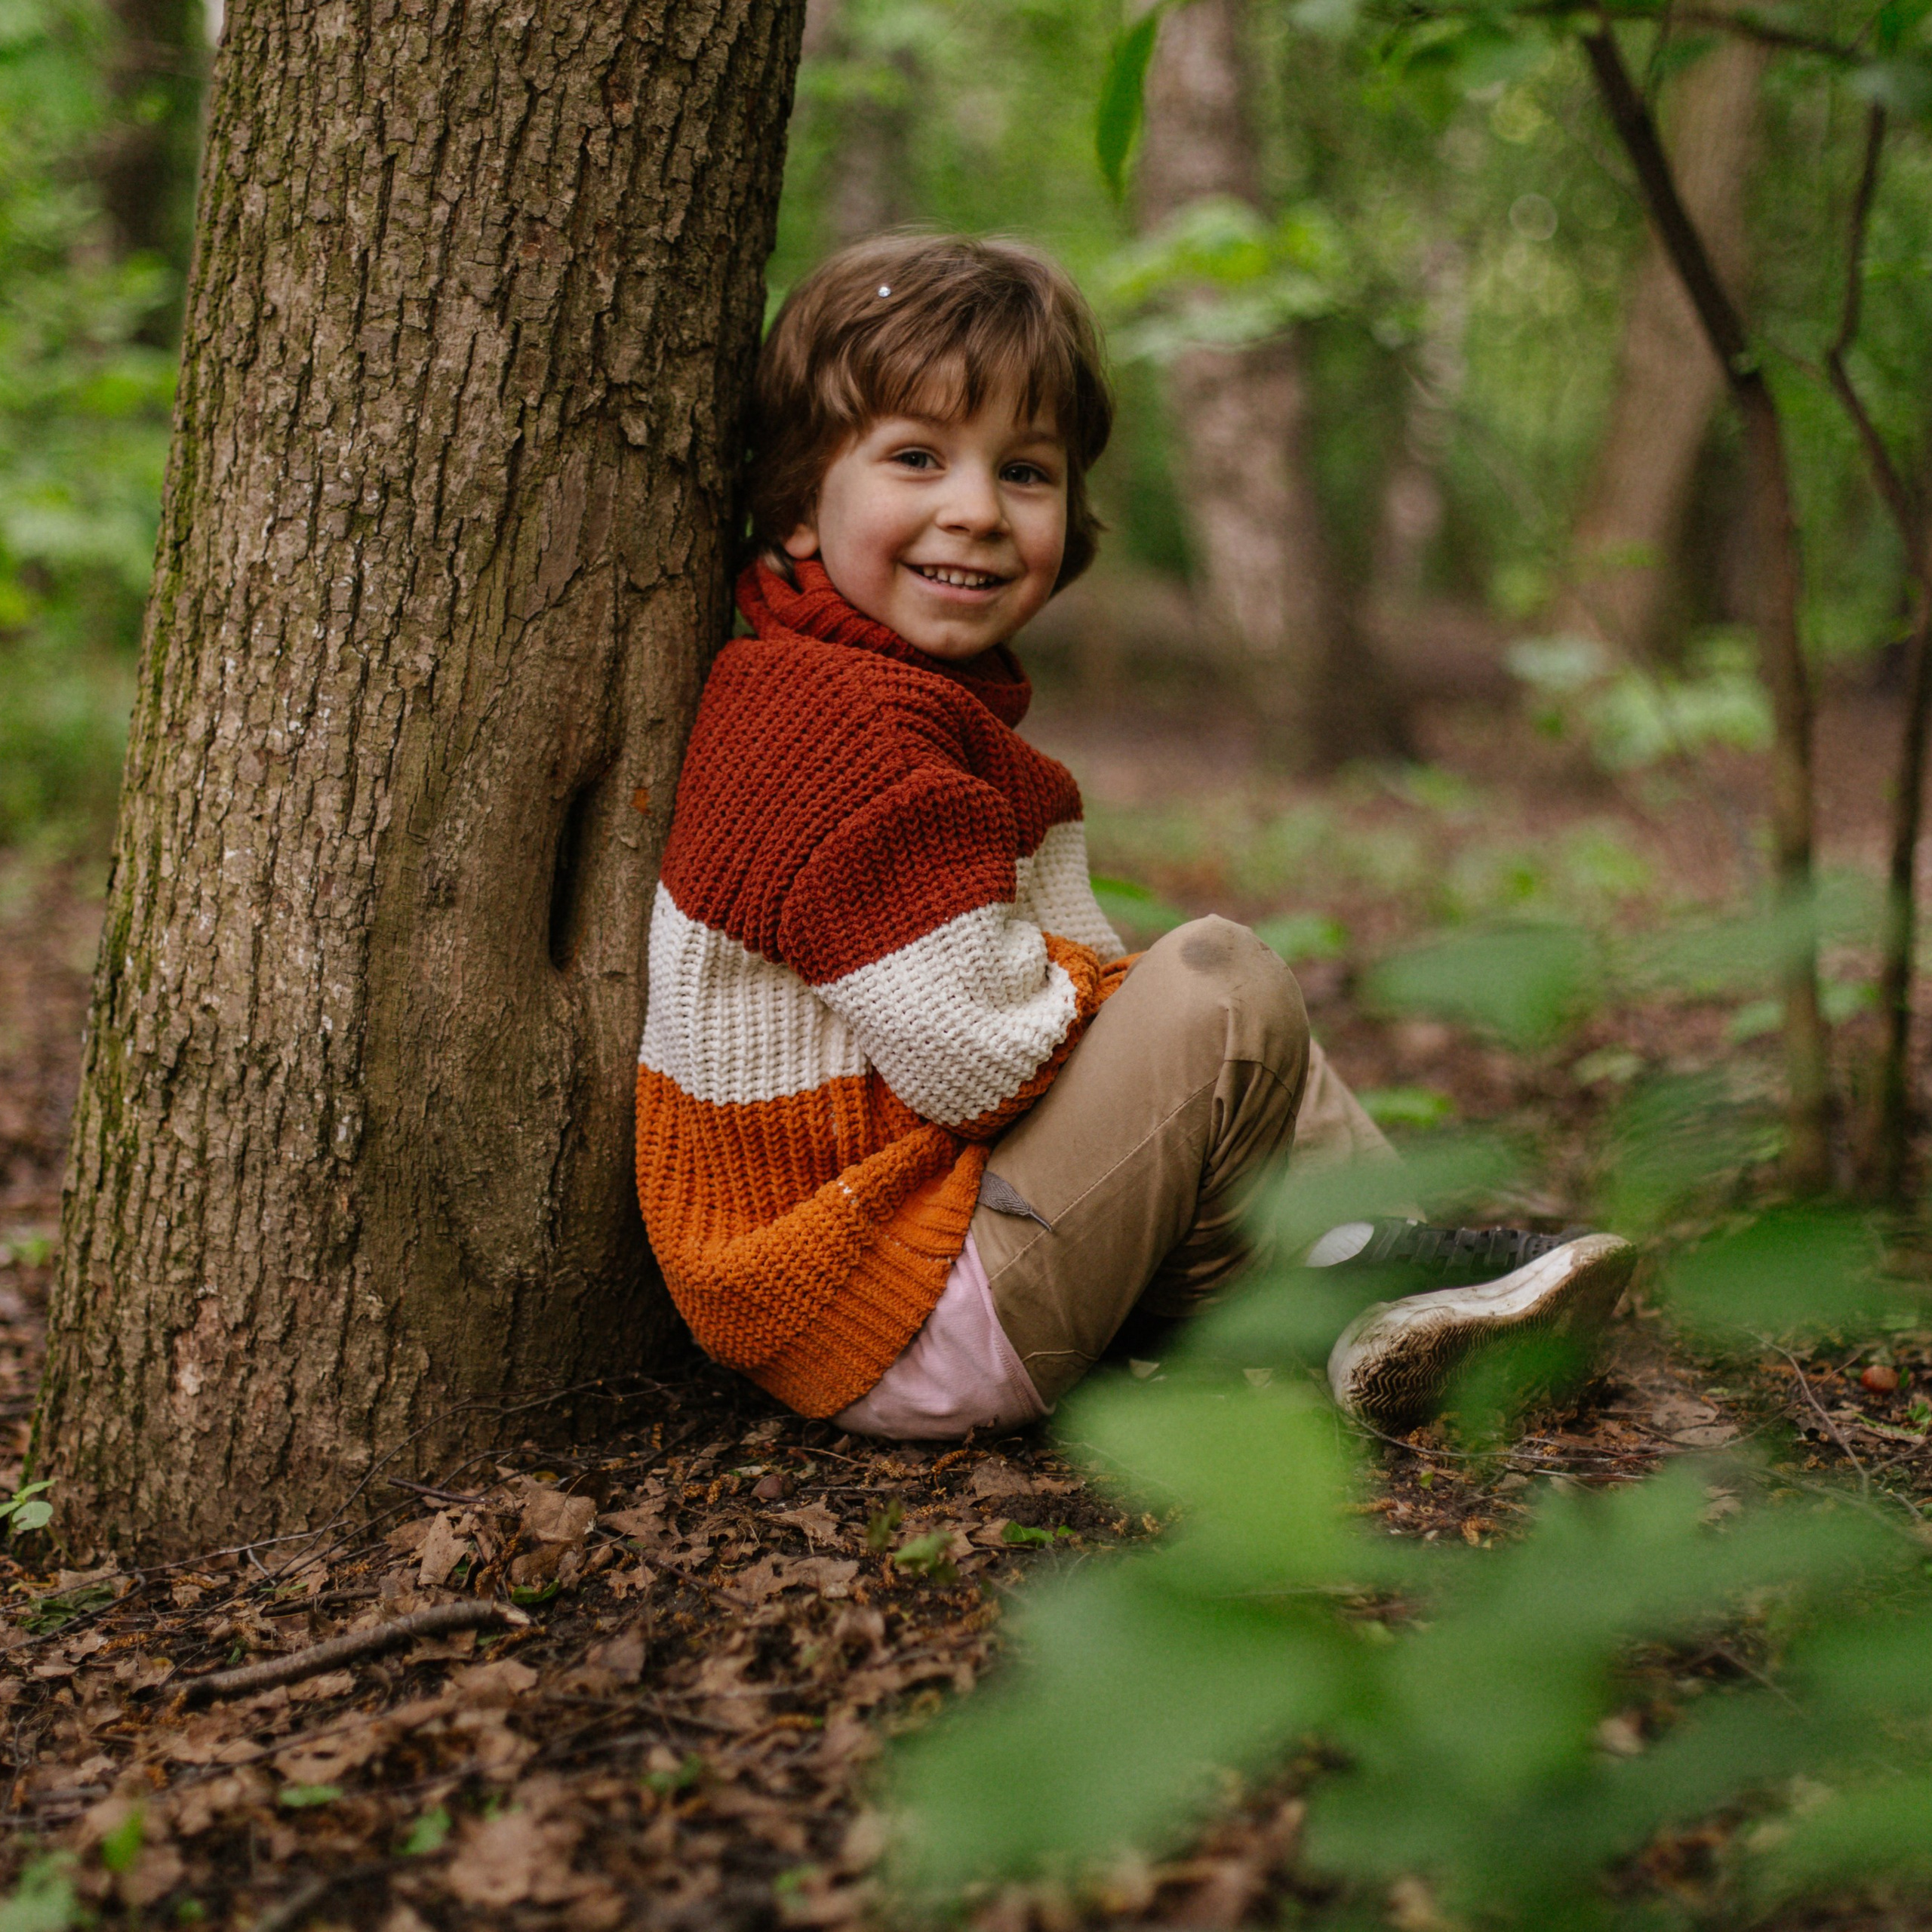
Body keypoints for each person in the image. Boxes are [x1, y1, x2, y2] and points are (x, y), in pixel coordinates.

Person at [634, 231, 1633, 1441]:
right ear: (800, 504)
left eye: (1025, 472)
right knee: (1219, 984)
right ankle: (1358, 1271)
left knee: (1212, 1012)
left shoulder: (893, 706)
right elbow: (984, 1061)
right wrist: (1157, 1003)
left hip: (921, 1261)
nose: (976, 511)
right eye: (917, 458)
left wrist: (1137, 1006)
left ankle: (1385, 1285)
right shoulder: (835, 729)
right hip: (882, 1307)